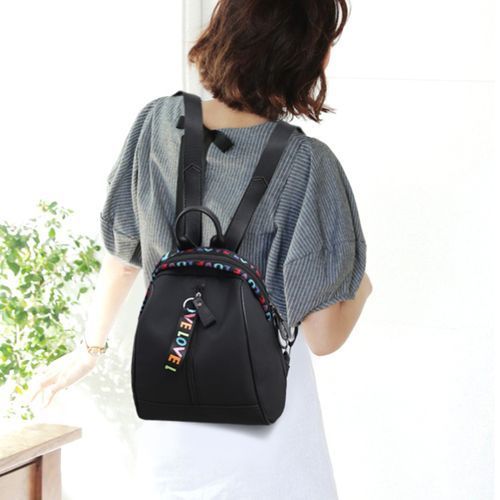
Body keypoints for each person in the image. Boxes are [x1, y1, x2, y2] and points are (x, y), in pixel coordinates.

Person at [27, 0, 373, 498]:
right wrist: (362, 287)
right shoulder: (307, 164)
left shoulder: (157, 123)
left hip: (172, 415)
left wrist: (90, 350)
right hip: (267, 429)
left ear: (225, 32)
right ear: (305, 57)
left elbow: (123, 260)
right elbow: (323, 337)